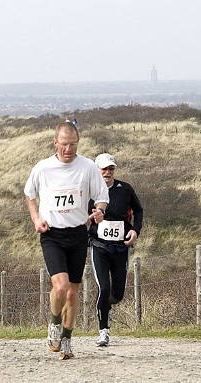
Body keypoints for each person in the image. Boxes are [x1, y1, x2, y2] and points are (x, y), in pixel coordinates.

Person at [24, 121, 109, 360]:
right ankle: (54, 324)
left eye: (73, 144)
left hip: (78, 234)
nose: (68, 149)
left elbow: (102, 196)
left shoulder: (88, 167)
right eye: (64, 144)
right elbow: (30, 194)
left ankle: (68, 341)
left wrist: (99, 210)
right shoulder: (43, 168)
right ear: (55, 143)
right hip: (52, 234)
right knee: (60, 287)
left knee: (72, 294)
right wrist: (36, 218)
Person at [88, 153, 143, 347]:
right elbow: (81, 216)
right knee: (104, 288)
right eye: (104, 169)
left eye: (111, 168)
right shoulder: (89, 191)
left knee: (117, 294)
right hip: (99, 247)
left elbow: (139, 210)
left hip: (121, 248)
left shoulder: (125, 189)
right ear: (96, 169)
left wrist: (135, 231)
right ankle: (104, 331)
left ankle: (105, 306)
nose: (107, 172)